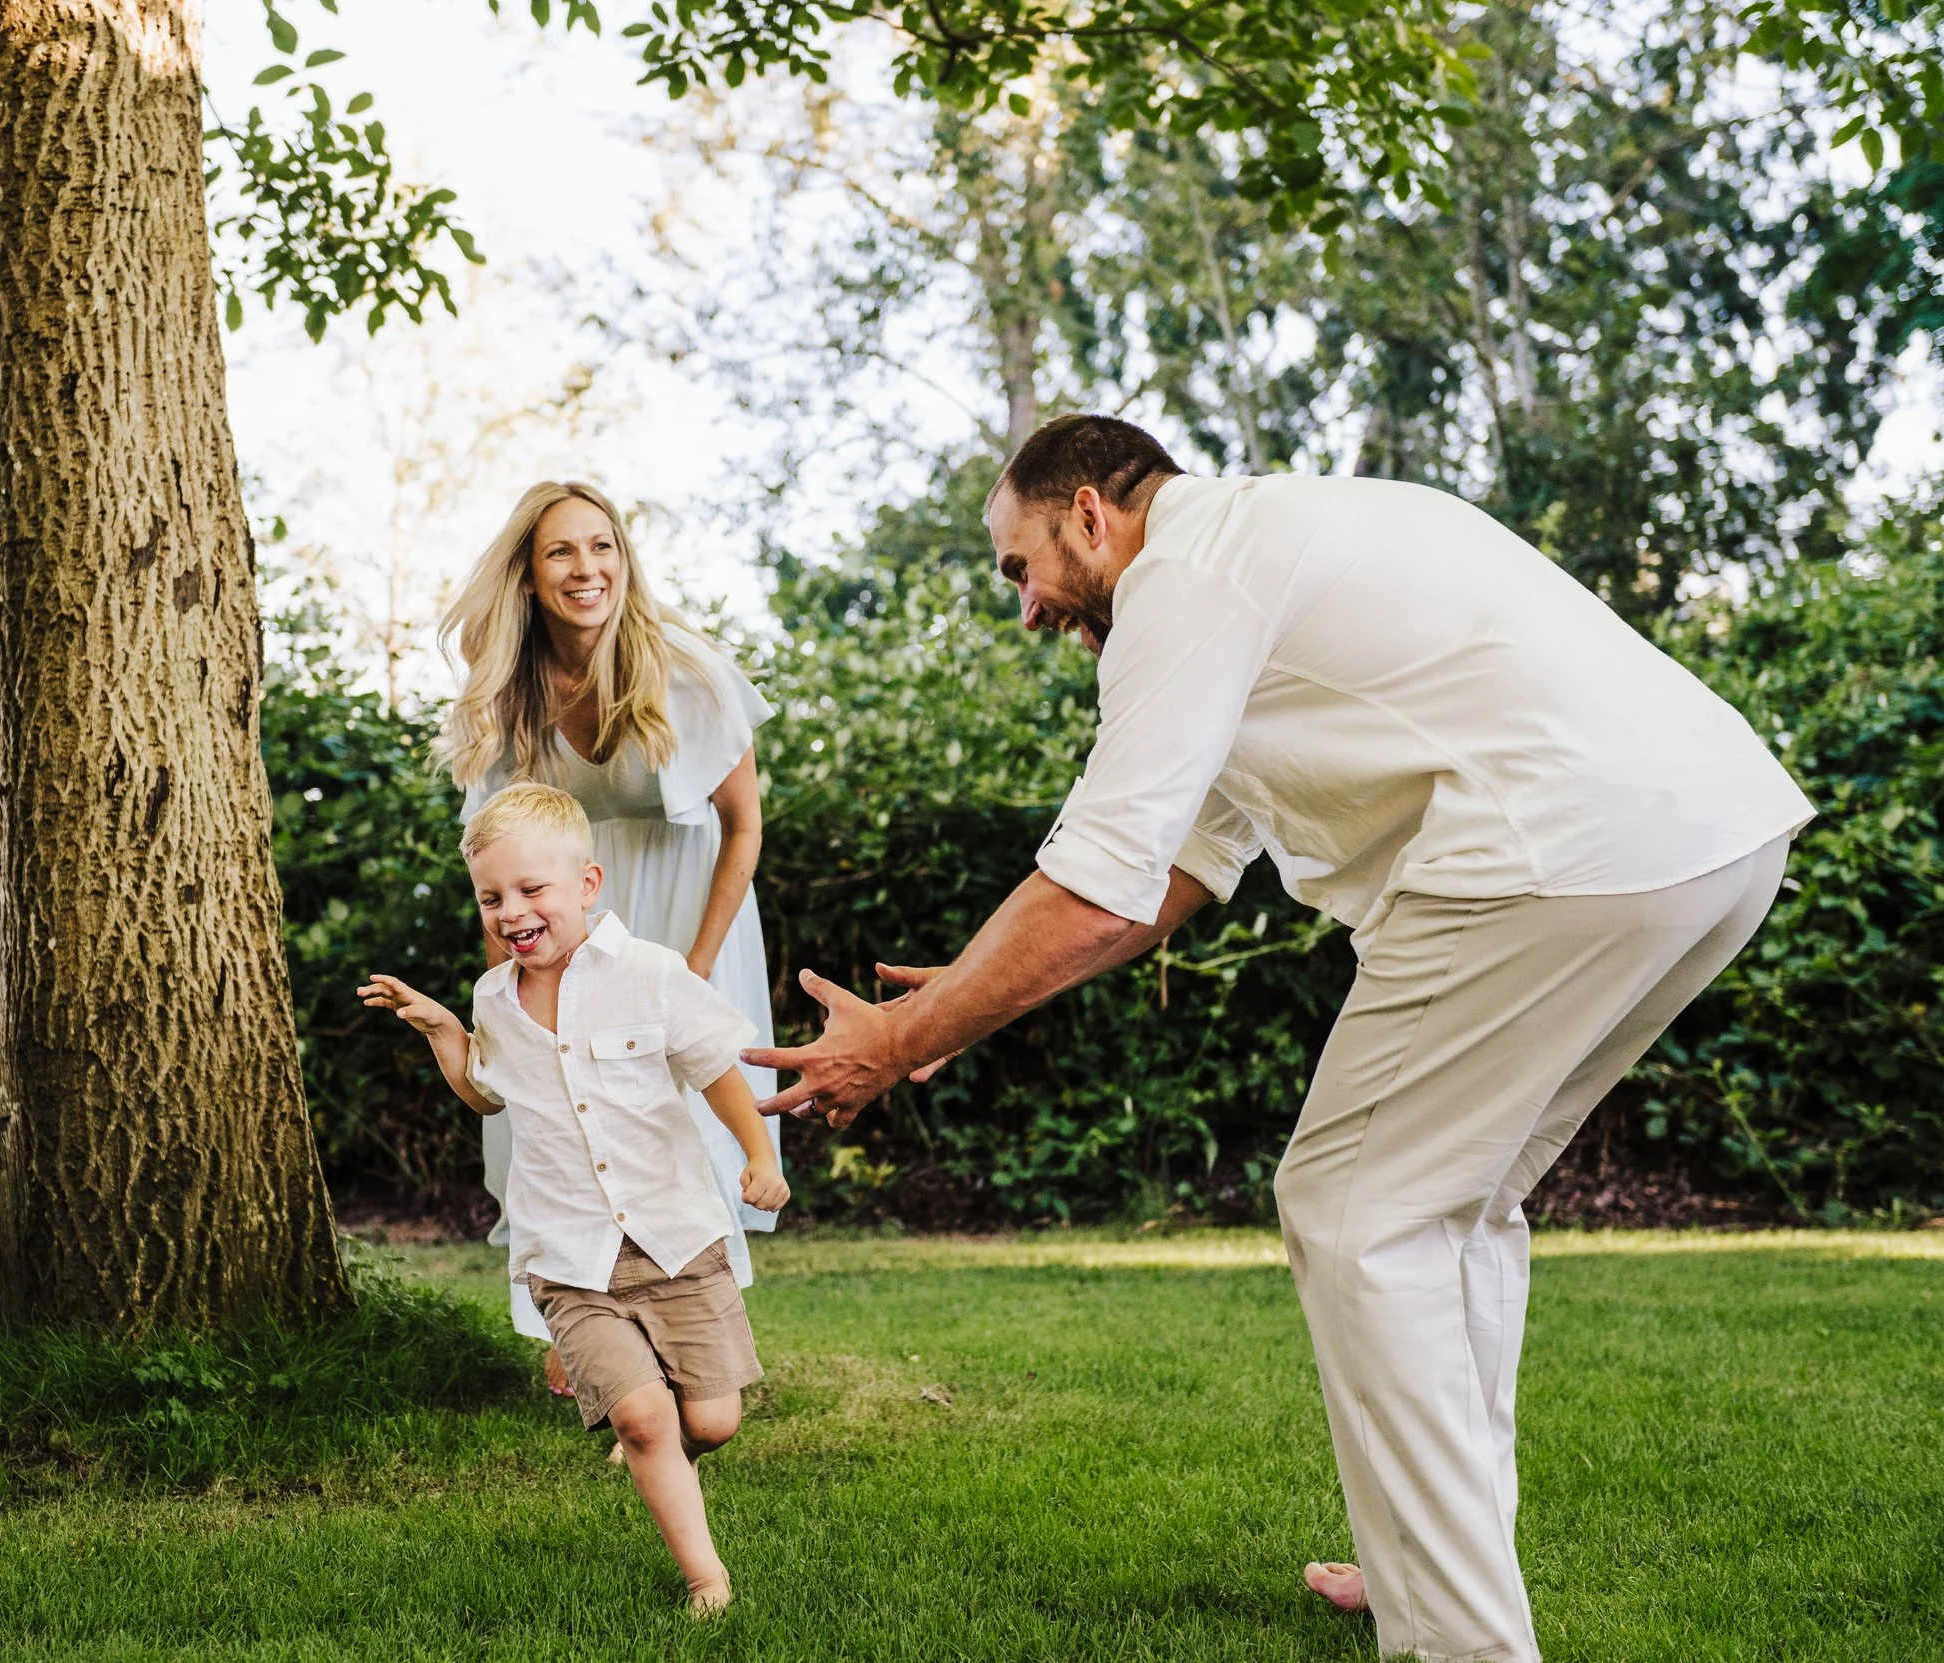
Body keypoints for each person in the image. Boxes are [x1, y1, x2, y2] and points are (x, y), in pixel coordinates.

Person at [744, 414, 1814, 1663]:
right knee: (1452, 1211)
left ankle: (1460, 1640)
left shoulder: (1187, 578)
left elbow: (1098, 879)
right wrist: (959, 1004)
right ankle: (1431, 1558)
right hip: (1706, 845)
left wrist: (899, 1035)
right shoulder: (1260, 560)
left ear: (1089, 511)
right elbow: (1175, 862)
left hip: (1547, 855)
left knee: (1358, 1211)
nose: (1027, 608)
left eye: (1017, 566)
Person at [360, 782, 789, 1616]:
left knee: (713, 1421)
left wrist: (759, 1154)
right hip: (571, 1258)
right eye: (491, 896)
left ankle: (660, 1452)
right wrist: (447, 1031)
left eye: (531, 889)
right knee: (643, 1420)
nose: (510, 910)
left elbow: (716, 1066)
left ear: (587, 885)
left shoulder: (652, 975)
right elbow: (486, 1092)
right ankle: (707, 1576)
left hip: (676, 1238)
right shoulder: (495, 1000)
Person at [439, 480, 780, 1391]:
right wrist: (509, 989)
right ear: (528, 573)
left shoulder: (689, 672)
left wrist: (694, 969)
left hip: (686, 910)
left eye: (602, 547)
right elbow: (497, 857)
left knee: (680, 1115)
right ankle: (583, 1322)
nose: (586, 568)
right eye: (561, 551)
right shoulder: (506, 689)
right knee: (553, 1109)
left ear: (624, 560)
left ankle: (692, 1346)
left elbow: (743, 825)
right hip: (558, 916)